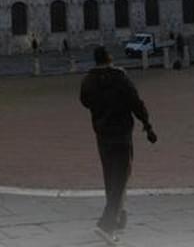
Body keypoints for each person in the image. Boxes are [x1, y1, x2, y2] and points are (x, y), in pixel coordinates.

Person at [80, 45, 157, 245]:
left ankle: (118, 216)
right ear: (109, 57)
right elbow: (136, 102)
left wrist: (100, 109)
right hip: (121, 134)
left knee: (110, 176)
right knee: (121, 178)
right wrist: (147, 125)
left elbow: (84, 101)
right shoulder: (120, 77)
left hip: (102, 135)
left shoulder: (88, 80)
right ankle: (106, 223)